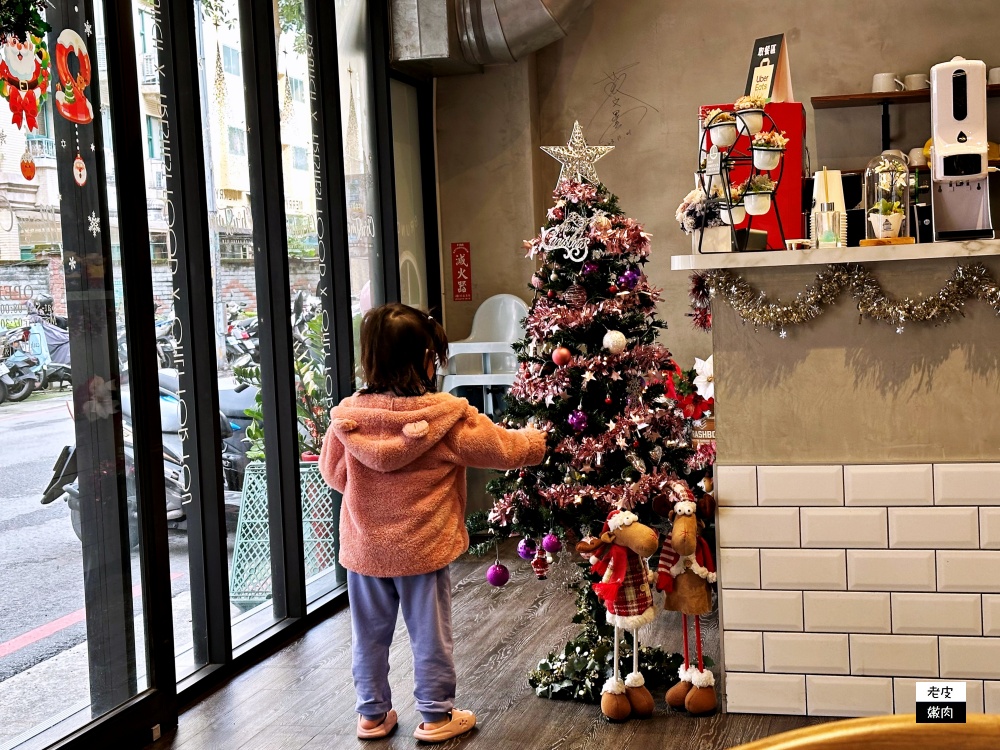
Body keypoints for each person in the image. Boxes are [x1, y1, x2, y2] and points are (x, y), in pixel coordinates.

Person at [319, 302, 546, 742]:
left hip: (365, 552)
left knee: (368, 637)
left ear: (370, 359)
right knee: (430, 637)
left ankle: (371, 716)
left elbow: (336, 475)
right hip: (422, 550)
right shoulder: (446, 418)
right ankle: (436, 718)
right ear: (426, 359)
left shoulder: (347, 419)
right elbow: (504, 450)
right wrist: (540, 440)